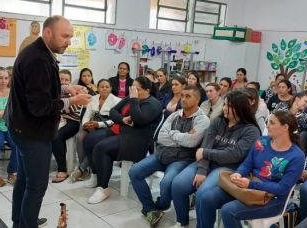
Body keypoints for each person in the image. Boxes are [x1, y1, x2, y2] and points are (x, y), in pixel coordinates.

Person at [4, 15, 92, 228]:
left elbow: (37, 90)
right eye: (65, 36)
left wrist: (64, 88)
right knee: (36, 186)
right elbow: (39, 107)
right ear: (48, 32)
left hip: (22, 127)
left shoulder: (40, 53)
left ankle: (22, 221)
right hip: (32, 132)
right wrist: (72, 100)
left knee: (25, 180)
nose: (68, 41)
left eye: (70, 37)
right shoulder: (38, 59)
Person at [170, 89, 261, 228]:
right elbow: (206, 145)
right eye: (224, 104)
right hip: (207, 164)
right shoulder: (218, 121)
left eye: (229, 106)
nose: (225, 108)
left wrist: (206, 153)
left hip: (228, 169)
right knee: (177, 184)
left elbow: (233, 155)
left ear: (241, 108)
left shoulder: (251, 130)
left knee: (202, 194)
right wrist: (201, 170)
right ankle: (183, 222)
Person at [129, 86, 210, 227]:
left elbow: (191, 143)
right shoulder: (175, 115)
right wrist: (181, 137)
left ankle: (162, 205)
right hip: (162, 154)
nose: (183, 99)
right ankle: (150, 208)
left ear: (197, 99)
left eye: (188, 96)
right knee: (134, 171)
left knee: (166, 182)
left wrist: (172, 134)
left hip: (182, 159)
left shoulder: (202, 119)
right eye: (182, 95)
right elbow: (161, 137)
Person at [219, 111, 305, 228]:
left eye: (272, 123)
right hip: (249, 187)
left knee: (228, 211)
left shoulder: (296, 156)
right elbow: (247, 164)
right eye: (267, 122)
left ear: (285, 127)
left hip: (272, 200)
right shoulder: (262, 141)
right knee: (208, 197)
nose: (267, 126)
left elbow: (282, 189)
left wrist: (250, 184)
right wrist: (239, 173)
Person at [84, 76, 162, 204]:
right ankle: (96, 174)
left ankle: (103, 187)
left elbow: (138, 119)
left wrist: (134, 99)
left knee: (101, 147)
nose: (133, 91)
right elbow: (113, 111)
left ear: (147, 90)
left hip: (136, 139)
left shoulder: (153, 104)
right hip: (122, 129)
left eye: (137, 89)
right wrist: (122, 119)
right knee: (89, 139)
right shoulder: (131, 97)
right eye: (133, 88)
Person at [70, 79, 121, 183]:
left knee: (94, 141)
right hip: (92, 126)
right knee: (80, 137)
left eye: (107, 86)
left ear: (111, 88)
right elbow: (86, 115)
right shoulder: (92, 98)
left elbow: (114, 120)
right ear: (98, 88)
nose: (104, 89)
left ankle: (82, 168)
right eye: (102, 86)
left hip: (107, 127)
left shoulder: (117, 101)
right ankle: (85, 167)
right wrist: (85, 124)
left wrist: (99, 124)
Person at [51, 70, 83, 183]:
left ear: (70, 82)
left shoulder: (75, 92)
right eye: (61, 79)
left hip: (72, 122)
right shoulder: (52, 91)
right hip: (56, 121)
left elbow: (72, 109)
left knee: (56, 137)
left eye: (66, 80)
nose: (63, 82)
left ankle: (62, 170)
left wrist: (59, 104)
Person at [0, 67, 18, 187]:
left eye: (6, 78)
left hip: (10, 125)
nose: (3, 81)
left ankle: (12, 172)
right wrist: (10, 111)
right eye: (0, 78)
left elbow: (19, 112)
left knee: (19, 143)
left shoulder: (13, 92)